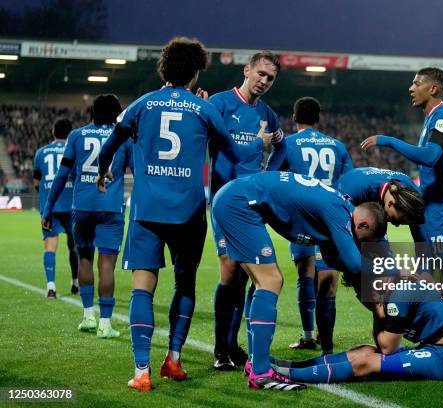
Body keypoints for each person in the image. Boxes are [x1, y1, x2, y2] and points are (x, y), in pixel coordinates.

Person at [96, 37, 271, 392]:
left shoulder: (141, 105)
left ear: (164, 68)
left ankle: (141, 370)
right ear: (195, 73)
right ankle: (174, 359)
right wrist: (260, 142)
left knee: (142, 291)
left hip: (146, 213)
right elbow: (235, 154)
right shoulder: (204, 109)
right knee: (185, 285)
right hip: (189, 214)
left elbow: (110, 146)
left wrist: (103, 170)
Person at [212, 171, 388, 390]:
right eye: (364, 242)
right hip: (239, 203)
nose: (361, 246)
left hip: (238, 198)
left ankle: (256, 363)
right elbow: (354, 264)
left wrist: (375, 304)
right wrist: (389, 276)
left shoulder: (340, 211)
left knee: (261, 282)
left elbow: (340, 263)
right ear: (362, 225)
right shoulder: (340, 213)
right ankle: (261, 373)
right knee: (270, 280)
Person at [360, 67, 443, 369]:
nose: (411, 87)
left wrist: (387, 140)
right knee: (424, 275)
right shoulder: (432, 118)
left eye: (417, 83)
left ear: (433, 89)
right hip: (430, 207)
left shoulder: (442, 116)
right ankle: (436, 335)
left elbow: (429, 157)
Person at [208, 51, 285, 370]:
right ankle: (220, 348)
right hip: (225, 202)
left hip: (253, 207)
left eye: (270, 78)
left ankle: (232, 345)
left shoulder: (269, 115)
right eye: (261, 73)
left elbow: (283, 147)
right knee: (229, 271)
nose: (264, 81)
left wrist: (269, 175)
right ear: (247, 70)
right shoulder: (219, 104)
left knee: (244, 275)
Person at [268, 96, 353, 354]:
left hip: (302, 219)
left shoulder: (288, 145)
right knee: (328, 280)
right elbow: (349, 184)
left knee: (305, 275)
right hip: (331, 220)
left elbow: (270, 178)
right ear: (319, 119)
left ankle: (307, 336)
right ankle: (326, 343)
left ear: (294, 118)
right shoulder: (337, 146)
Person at [42, 95, 131, 340]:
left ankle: (88, 317)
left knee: (84, 258)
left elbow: (61, 176)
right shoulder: (122, 137)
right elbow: (137, 172)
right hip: (111, 207)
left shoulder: (76, 136)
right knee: (106, 264)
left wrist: (48, 208)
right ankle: (105, 324)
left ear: (92, 113)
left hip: (81, 207)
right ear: (117, 115)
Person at [273, 279, 443, 383]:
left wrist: (376, 311)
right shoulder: (396, 287)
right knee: (363, 350)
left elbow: (387, 348)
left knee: (365, 362)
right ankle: (291, 366)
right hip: (431, 347)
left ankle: (284, 374)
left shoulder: (399, 296)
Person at [33, 118, 79, 298]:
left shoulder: (40, 153)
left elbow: (37, 182)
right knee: (74, 246)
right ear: (70, 134)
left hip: (50, 207)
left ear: (53, 132)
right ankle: (75, 283)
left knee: (50, 246)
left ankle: (51, 287)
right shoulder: (74, 150)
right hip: (72, 205)